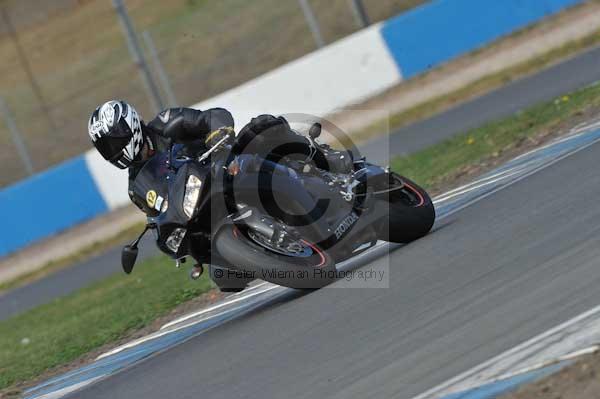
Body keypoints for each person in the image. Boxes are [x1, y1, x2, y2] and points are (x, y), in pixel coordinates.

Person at [87, 100, 352, 211]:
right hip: (205, 202)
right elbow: (159, 215)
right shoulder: (137, 188)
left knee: (263, 125)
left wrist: (218, 136)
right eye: (106, 147)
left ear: (130, 126)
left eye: (114, 142)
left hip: (229, 161)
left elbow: (212, 117)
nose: (113, 150)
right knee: (226, 279)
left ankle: (325, 159)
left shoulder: (167, 122)